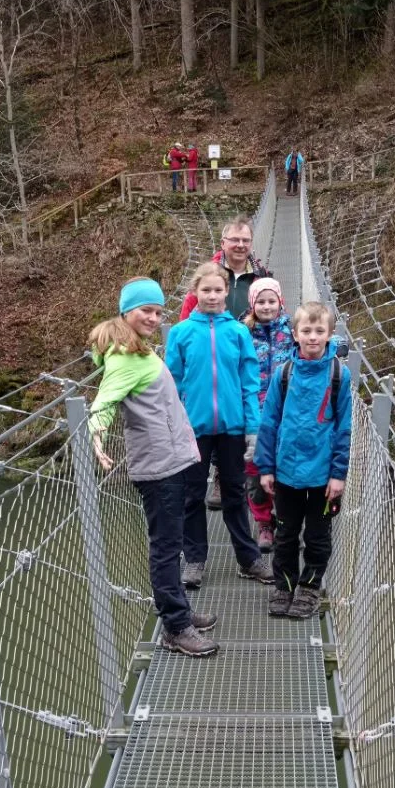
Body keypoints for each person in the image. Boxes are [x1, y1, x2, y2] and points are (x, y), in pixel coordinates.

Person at [88, 277, 219, 657]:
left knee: (171, 544)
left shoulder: (135, 349)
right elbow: (104, 401)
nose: (154, 318)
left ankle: (180, 611)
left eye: (159, 312)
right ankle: (175, 628)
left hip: (168, 458)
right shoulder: (124, 358)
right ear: (126, 311)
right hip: (159, 466)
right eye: (146, 310)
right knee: (166, 548)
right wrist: (96, 435)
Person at [165, 262, 273, 589]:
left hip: (232, 427)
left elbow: (249, 384)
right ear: (195, 292)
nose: (212, 296)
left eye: (217, 290)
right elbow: (172, 384)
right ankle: (194, 559)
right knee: (192, 494)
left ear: (227, 291)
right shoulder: (180, 333)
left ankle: (248, 559)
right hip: (194, 429)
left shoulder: (238, 333)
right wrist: (173, 425)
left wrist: (252, 428)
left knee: (234, 493)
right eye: (206, 290)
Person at [254, 301, 352, 619]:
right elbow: (269, 423)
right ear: (294, 334)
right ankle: (284, 587)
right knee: (285, 534)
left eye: (319, 331)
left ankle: (309, 589)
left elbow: (344, 428)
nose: (312, 337)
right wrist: (265, 468)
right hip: (286, 472)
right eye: (306, 331)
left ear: (330, 334)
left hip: (323, 476)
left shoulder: (339, 375)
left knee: (317, 537)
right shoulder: (284, 374)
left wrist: (338, 474)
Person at [179, 214, 272, 510]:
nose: (240, 245)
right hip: (213, 363)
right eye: (235, 240)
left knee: (251, 420)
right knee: (217, 416)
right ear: (223, 242)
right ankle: (222, 475)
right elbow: (186, 322)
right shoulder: (209, 278)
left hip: (254, 360)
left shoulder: (261, 277)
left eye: (246, 240)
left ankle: (257, 499)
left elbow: (274, 312)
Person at [241, 277, 294, 553]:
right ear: (252, 305)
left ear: (280, 302)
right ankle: (264, 522)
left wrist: (336, 345)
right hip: (253, 412)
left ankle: (284, 520)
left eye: (271, 301)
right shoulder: (243, 333)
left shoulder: (293, 330)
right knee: (255, 467)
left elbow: (318, 337)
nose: (266, 306)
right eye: (260, 301)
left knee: (284, 465)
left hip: (287, 412)